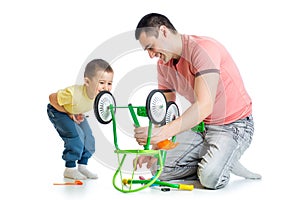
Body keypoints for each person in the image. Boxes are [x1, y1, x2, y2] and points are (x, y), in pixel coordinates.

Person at [133, 13, 261, 189]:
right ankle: (215, 158)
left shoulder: (203, 49)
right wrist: (153, 146)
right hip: (200, 126)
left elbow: (204, 105)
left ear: (163, 31)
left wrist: (162, 133)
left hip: (234, 125)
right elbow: (165, 112)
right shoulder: (163, 66)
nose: (150, 55)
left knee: (210, 178)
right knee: (157, 168)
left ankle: (219, 162)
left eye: (151, 47)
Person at [47, 59, 114, 180]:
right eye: (102, 82)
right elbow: (52, 98)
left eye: (109, 83)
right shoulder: (73, 94)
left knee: (89, 138)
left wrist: (76, 113)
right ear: (87, 82)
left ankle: (82, 167)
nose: (106, 87)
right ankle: (70, 168)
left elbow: (82, 105)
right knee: (76, 136)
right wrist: (68, 113)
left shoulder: (99, 96)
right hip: (57, 111)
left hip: (73, 112)